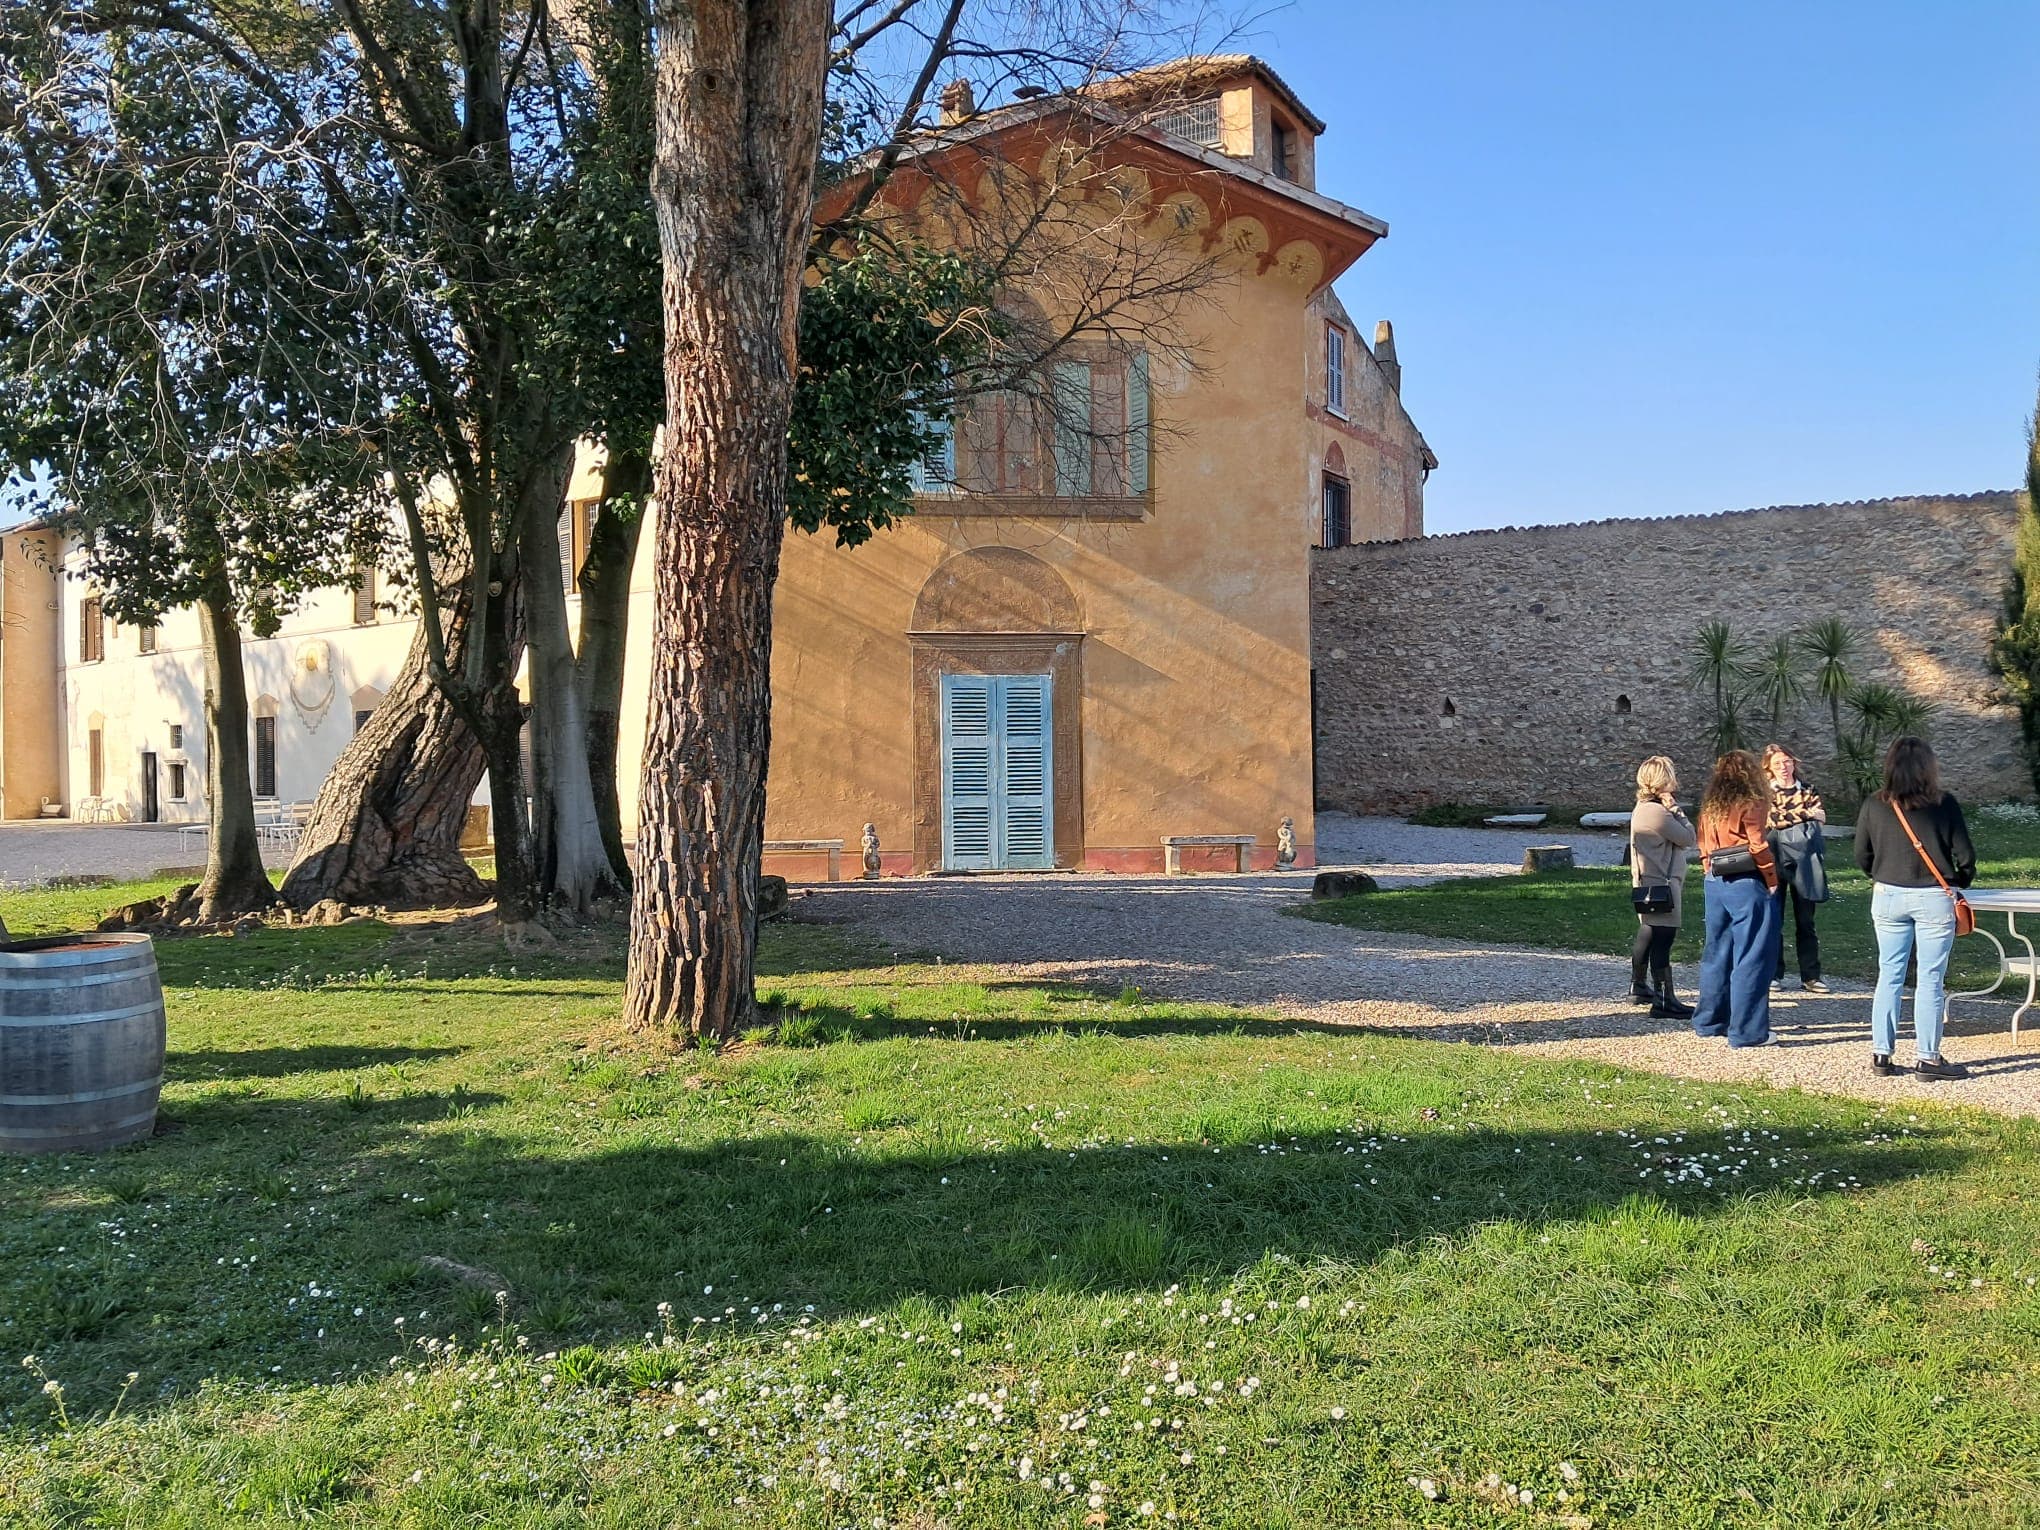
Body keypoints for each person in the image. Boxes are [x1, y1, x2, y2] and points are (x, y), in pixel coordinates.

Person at [1854, 736, 1976, 1081]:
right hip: (1933, 895)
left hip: (1888, 893)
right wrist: (1960, 880)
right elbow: (1965, 855)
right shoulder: (1944, 804)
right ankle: (1928, 1057)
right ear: (1929, 767)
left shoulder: (1874, 804)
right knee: (1930, 979)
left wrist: (1880, 873)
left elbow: (1861, 854)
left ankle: (1882, 1053)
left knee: (1889, 974)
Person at [1692, 749, 1779, 1047]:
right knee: (1752, 955)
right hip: (1745, 880)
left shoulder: (1711, 805)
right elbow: (1757, 845)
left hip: (1714, 879)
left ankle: (1709, 1021)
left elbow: (1702, 842)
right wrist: (1771, 879)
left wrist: (1709, 868)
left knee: (1717, 952)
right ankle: (1748, 1032)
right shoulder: (1751, 802)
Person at [1628, 756, 1697, 1018]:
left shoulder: (1643, 808)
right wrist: (1677, 810)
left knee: (1649, 932)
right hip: (1662, 885)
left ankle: (1639, 986)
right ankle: (1664, 1000)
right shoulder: (1657, 812)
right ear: (1662, 781)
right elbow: (1688, 838)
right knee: (1663, 939)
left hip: (1650, 883)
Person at [1762, 743, 1830, 994]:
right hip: (1774, 859)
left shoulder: (1808, 789)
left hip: (1804, 860)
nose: (1784, 767)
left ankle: (1811, 975)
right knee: (1773, 919)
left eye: (1787, 761)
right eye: (1778, 763)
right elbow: (1770, 820)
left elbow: (1821, 816)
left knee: (1806, 920)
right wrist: (1805, 814)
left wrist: (1791, 816)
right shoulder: (1765, 792)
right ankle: (1773, 973)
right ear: (1769, 767)